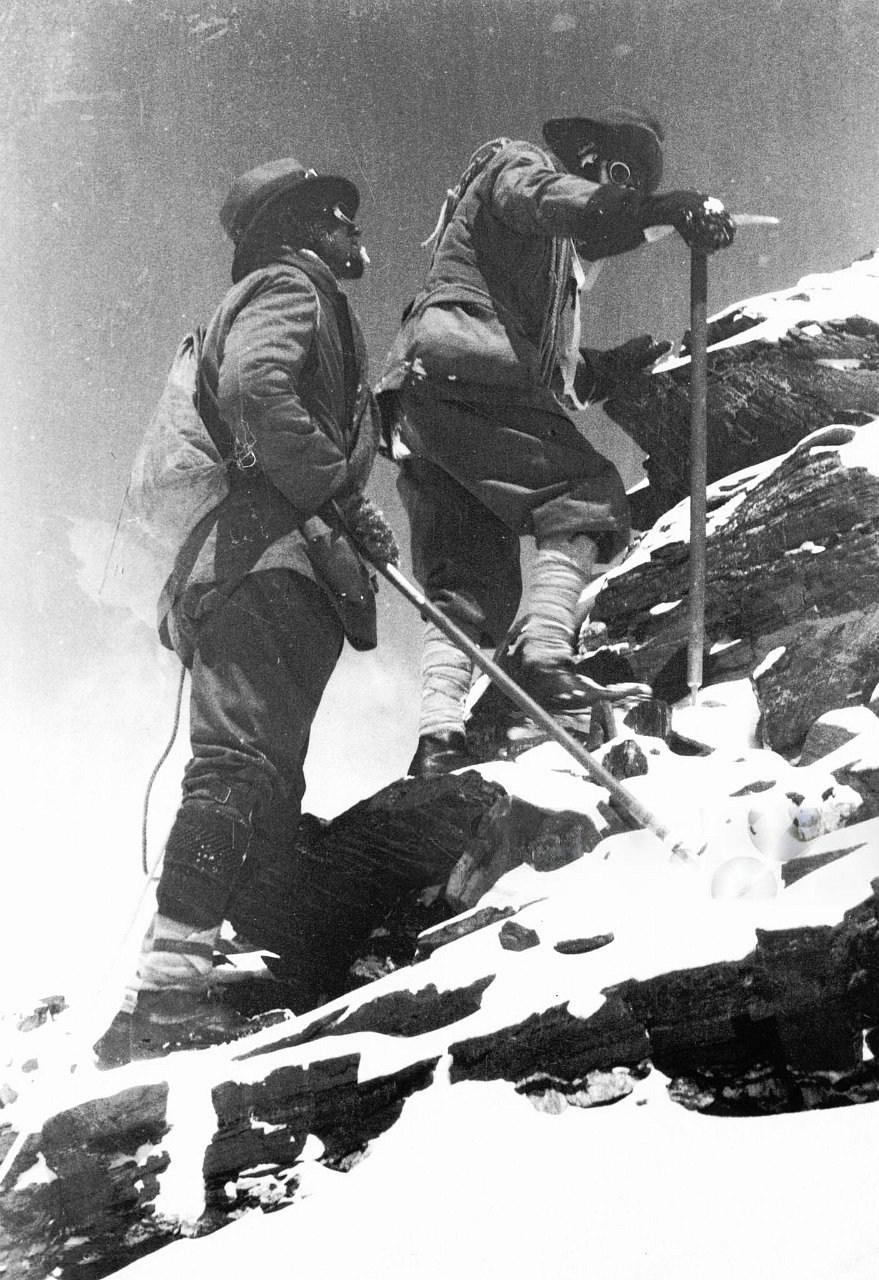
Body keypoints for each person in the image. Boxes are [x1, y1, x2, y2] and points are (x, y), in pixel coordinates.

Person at [95, 158, 391, 1065]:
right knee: (241, 760)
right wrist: (323, 489)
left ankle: (265, 959)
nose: (352, 229)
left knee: (263, 770)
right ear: (300, 227)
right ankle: (168, 989)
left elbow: (283, 419)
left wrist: (351, 511)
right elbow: (258, 390)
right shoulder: (290, 284)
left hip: (270, 566)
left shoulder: (292, 289)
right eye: (337, 215)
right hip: (261, 564)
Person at [376, 110, 735, 778]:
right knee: (584, 492)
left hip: (427, 406)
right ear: (595, 157)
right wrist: (659, 211)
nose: (620, 192)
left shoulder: (549, 271)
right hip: (466, 377)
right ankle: (545, 658)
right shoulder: (516, 165)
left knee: (469, 584)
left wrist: (608, 369)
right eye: (621, 176)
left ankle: (438, 739)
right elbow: (545, 200)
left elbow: (554, 378)